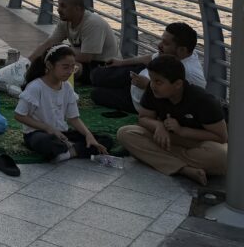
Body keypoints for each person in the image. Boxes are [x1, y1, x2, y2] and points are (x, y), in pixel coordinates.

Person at [117, 56, 227, 186]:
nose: (152, 85)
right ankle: (184, 170)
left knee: (221, 156)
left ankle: (158, 159)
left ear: (178, 84)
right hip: (168, 140)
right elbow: (143, 119)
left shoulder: (203, 100)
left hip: (198, 144)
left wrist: (182, 131)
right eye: (152, 80)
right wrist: (158, 126)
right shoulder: (153, 92)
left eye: (159, 82)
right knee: (125, 133)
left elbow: (221, 137)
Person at [15, 45, 113, 162]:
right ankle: (70, 149)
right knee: (45, 143)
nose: (70, 72)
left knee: (105, 140)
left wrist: (88, 135)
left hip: (61, 133)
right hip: (38, 133)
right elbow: (19, 115)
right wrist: (48, 128)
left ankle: (68, 152)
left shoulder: (66, 87)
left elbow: (73, 118)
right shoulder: (36, 87)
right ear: (49, 65)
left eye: (73, 67)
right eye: (65, 67)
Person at [91, 23, 206, 114]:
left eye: (165, 43)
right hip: (138, 74)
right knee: (96, 75)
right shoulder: (173, 54)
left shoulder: (191, 74)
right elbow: (150, 57)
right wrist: (121, 63)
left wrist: (147, 86)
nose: (159, 45)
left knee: (96, 94)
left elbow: (182, 104)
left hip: (138, 99)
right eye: (162, 40)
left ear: (182, 50)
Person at [29, 0, 119, 85]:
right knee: (47, 60)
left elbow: (86, 57)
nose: (58, 10)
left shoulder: (93, 23)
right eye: (58, 6)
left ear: (77, 9)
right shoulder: (65, 21)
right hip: (85, 62)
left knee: (65, 66)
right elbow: (48, 44)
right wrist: (27, 63)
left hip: (104, 66)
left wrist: (59, 49)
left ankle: (57, 84)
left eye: (63, 6)